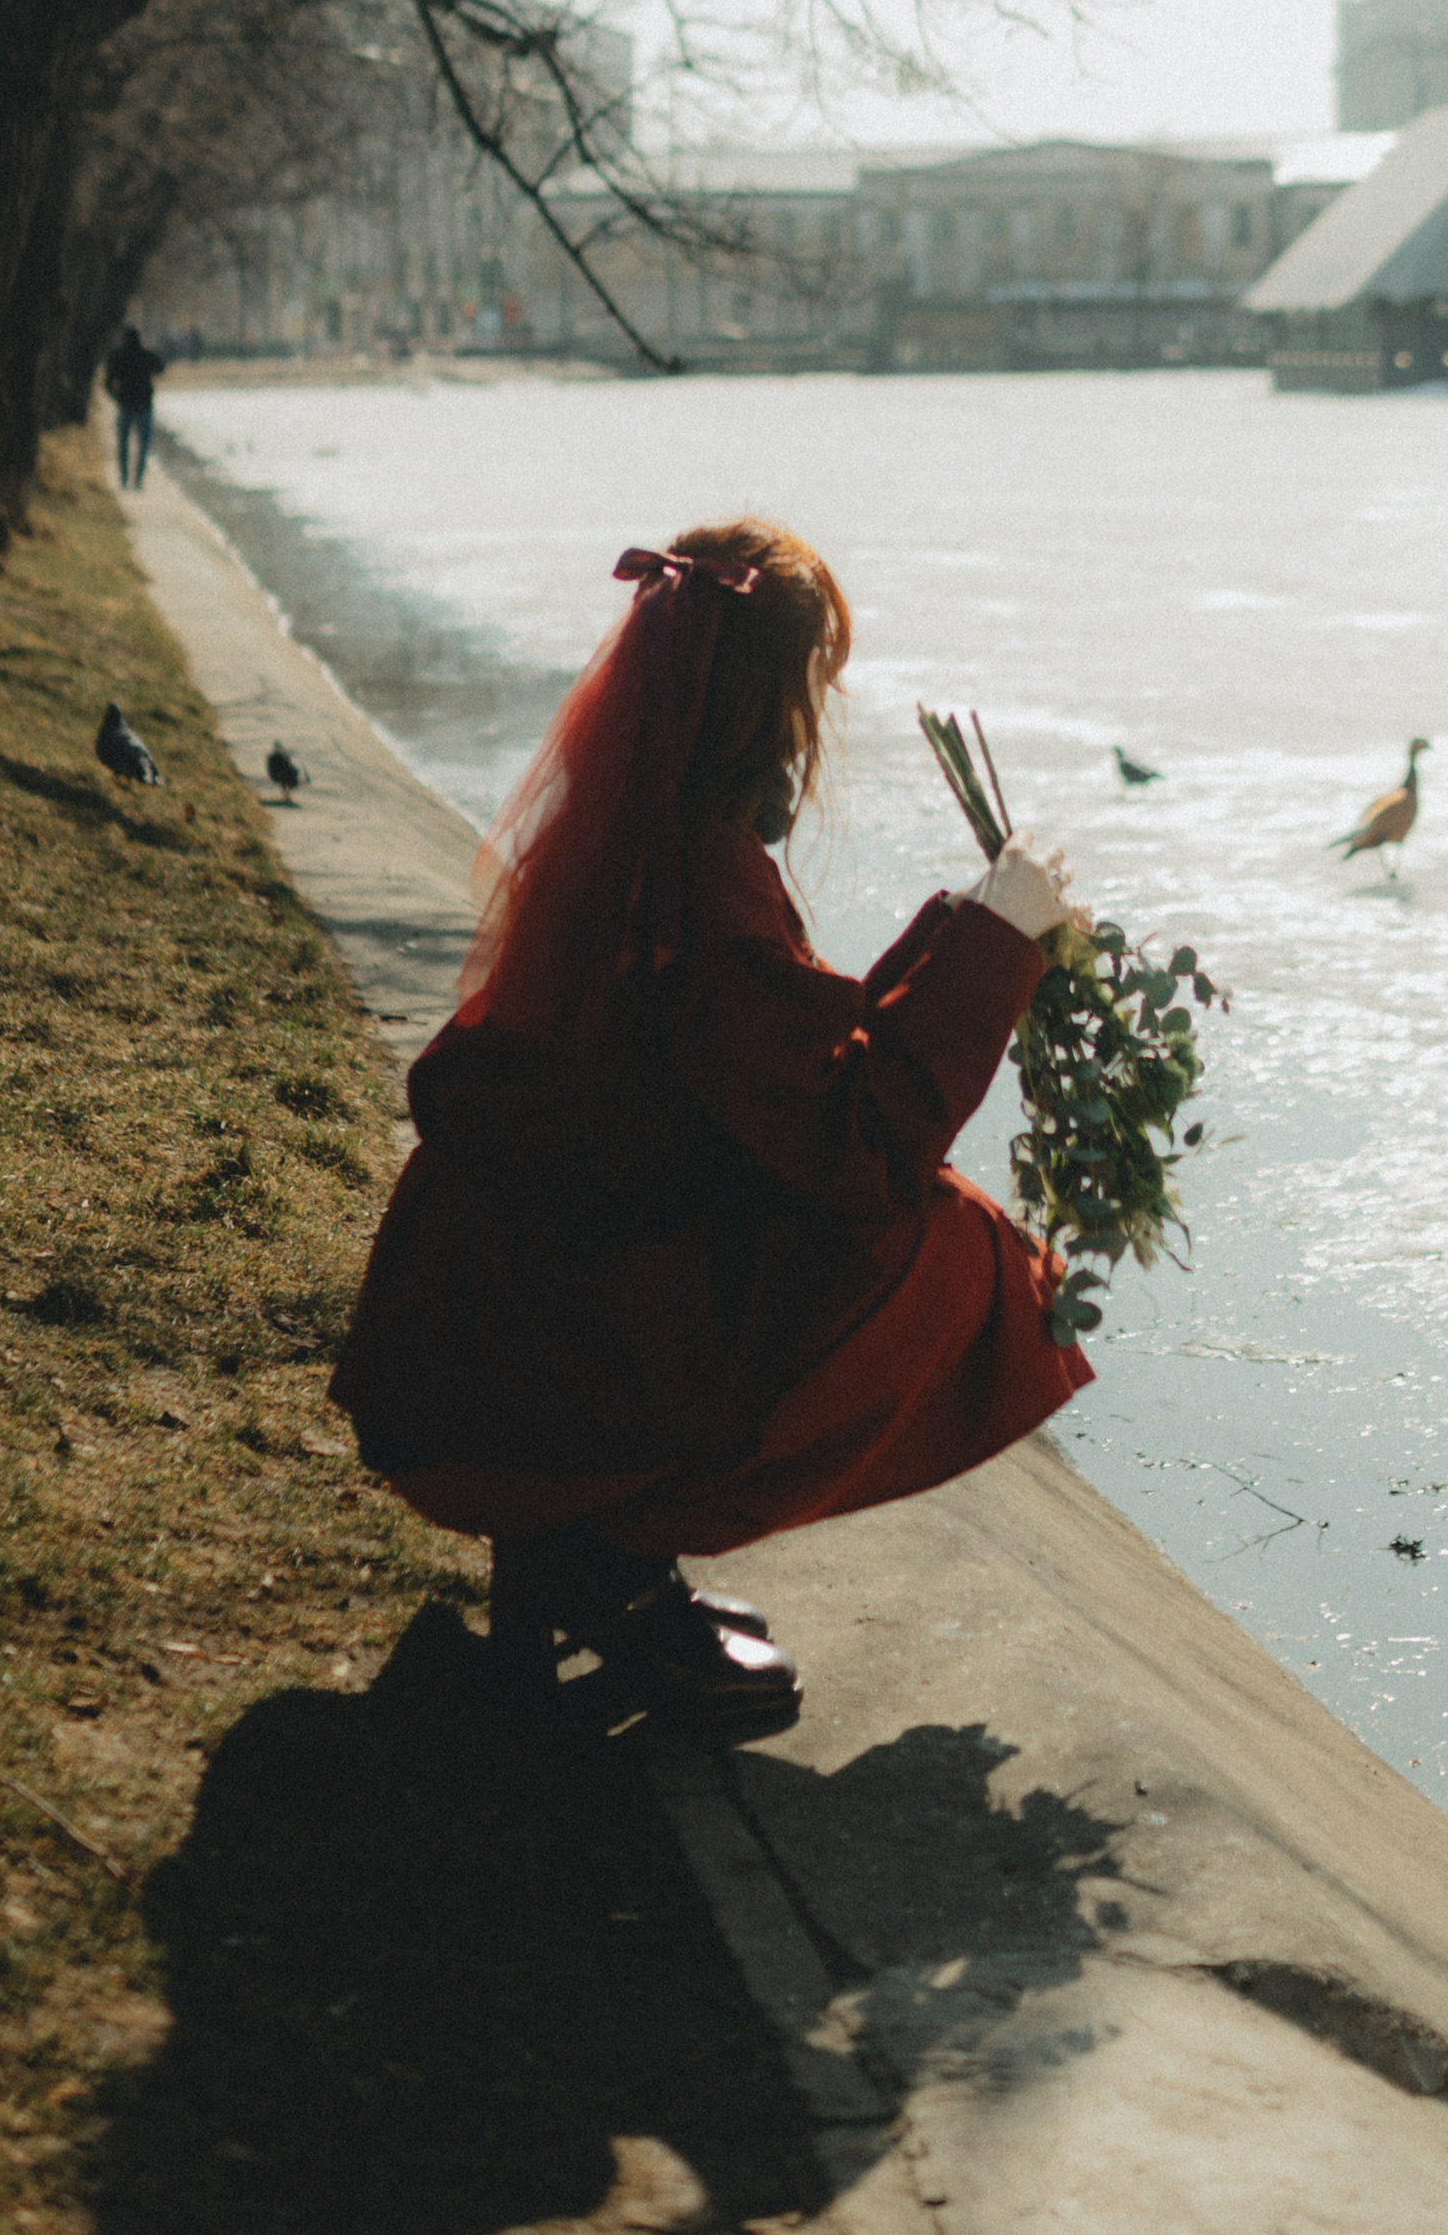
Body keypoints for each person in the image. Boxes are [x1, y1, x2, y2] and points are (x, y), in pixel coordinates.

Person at [331, 520, 1087, 1738]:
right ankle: (610, 1534)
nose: (812, 724)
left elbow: (786, 1063)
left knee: (879, 1218)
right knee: (954, 1244)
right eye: (805, 692)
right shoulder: (700, 878)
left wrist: (968, 933)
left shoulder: (628, 841)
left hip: (467, 1353)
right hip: (546, 1380)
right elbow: (858, 1142)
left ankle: (581, 1546)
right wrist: (998, 939)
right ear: (759, 703)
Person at [105, 323, 163, 488]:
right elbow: (161, 366)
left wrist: (117, 398)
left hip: (125, 405)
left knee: (123, 443)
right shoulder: (146, 355)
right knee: (143, 445)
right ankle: (138, 479)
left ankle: (123, 478)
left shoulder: (118, 356)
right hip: (145, 404)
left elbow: (107, 383)